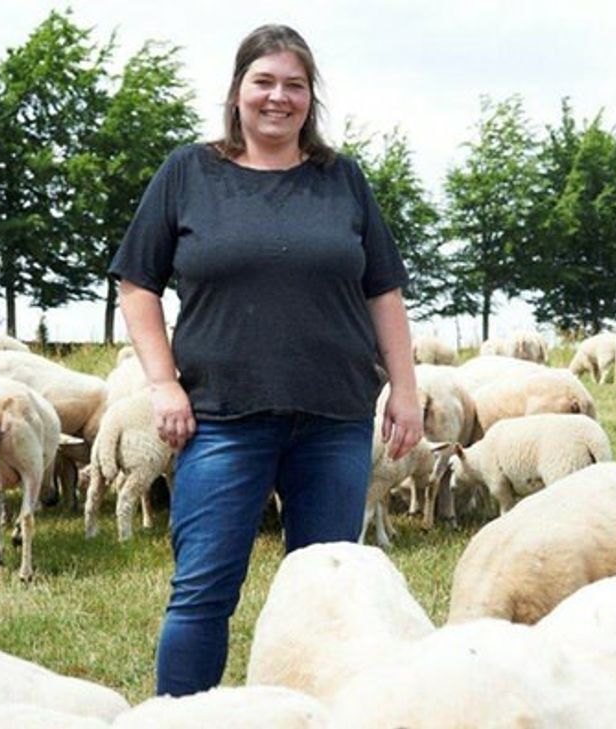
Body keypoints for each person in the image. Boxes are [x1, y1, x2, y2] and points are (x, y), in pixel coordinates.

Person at [108, 24, 423, 698]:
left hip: (334, 418)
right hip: (222, 417)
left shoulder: (342, 180)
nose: (278, 97)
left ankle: (316, 714)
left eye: (294, 85)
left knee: (327, 599)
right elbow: (137, 285)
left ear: (311, 98)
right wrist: (162, 383)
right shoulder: (188, 173)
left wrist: (405, 387)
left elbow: (383, 289)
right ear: (237, 91)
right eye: (265, 82)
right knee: (203, 590)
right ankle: (178, 716)